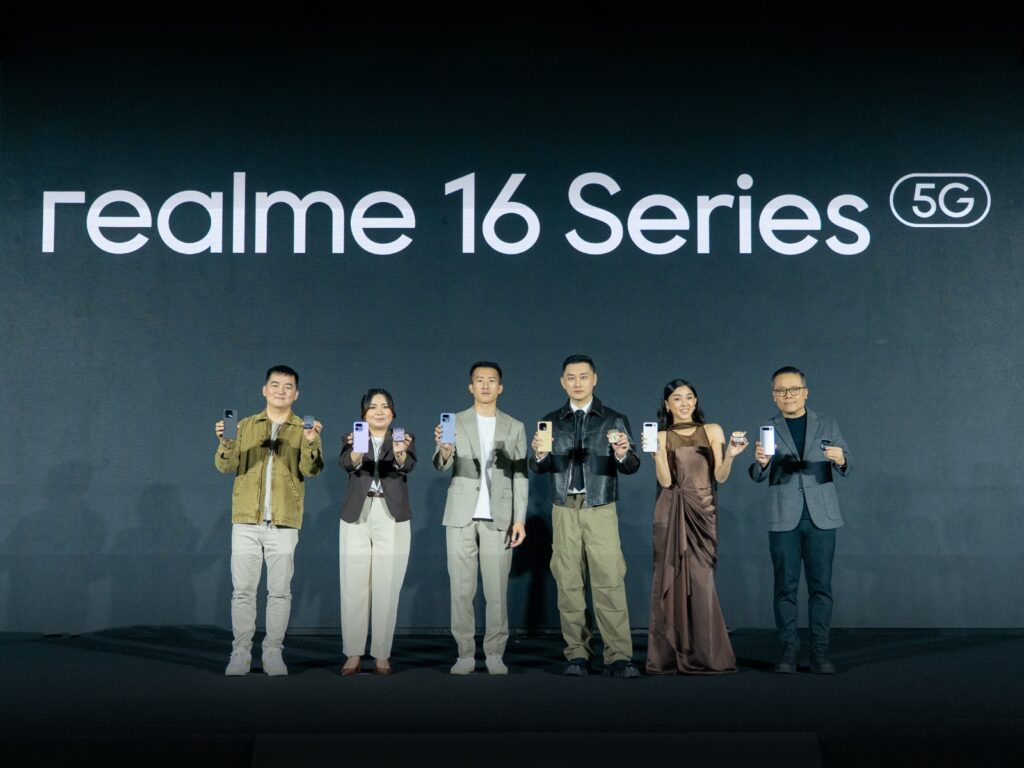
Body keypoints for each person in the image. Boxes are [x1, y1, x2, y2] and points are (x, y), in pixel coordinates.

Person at [529, 354, 641, 678]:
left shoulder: (614, 419)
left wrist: (622, 453)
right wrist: (540, 453)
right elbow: (537, 466)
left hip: (600, 506)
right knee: (568, 583)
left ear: (595, 379)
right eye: (571, 377)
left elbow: (632, 465)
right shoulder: (551, 420)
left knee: (609, 581)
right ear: (562, 382)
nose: (577, 383)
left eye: (583, 376)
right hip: (563, 507)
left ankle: (618, 656)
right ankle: (577, 654)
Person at [214, 365, 324, 676]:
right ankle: (241, 652)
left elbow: (312, 470)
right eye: (275, 385)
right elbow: (225, 467)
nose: (280, 391)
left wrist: (311, 441)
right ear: (264, 390)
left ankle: (273, 652)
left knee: (279, 592)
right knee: (243, 591)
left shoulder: (304, 428)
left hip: (284, 521)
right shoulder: (246, 426)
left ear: (296, 394)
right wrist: (226, 442)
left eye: (288, 387)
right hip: (245, 520)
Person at [643, 379, 748, 675]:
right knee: (669, 575)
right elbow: (666, 481)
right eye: (677, 398)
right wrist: (656, 455)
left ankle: (705, 655)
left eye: (689, 397)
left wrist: (730, 455)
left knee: (702, 581)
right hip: (670, 509)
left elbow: (720, 476)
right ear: (667, 405)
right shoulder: (661, 436)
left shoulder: (712, 430)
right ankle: (666, 656)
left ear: (696, 401)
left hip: (702, 510)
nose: (684, 403)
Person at [749, 366, 849, 674]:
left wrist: (841, 458)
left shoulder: (826, 423)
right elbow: (757, 474)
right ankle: (789, 652)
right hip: (783, 518)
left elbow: (846, 460)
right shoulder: (769, 427)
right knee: (785, 587)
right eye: (781, 391)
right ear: (773, 395)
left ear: (805, 392)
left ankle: (819, 652)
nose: (788, 395)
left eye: (793, 389)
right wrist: (761, 463)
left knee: (821, 587)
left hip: (822, 517)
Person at [433, 362, 528, 675]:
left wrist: (519, 519)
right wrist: (444, 449)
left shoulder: (514, 426)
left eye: (491, 380)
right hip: (461, 515)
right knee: (461, 591)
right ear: (470, 387)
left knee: (496, 592)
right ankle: (464, 654)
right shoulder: (455, 421)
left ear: (500, 387)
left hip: (499, 516)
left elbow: (520, 475)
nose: (485, 385)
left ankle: (495, 654)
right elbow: (442, 465)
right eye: (479, 380)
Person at [338, 389, 415, 676]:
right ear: (364, 414)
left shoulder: (404, 438)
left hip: (391, 514)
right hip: (357, 513)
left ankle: (382, 654)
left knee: (387, 585)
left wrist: (400, 452)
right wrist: (357, 450)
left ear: (393, 413)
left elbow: (408, 465)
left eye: (385, 406)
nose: (379, 411)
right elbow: (347, 463)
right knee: (353, 584)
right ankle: (353, 653)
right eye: (372, 407)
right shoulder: (352, 437)